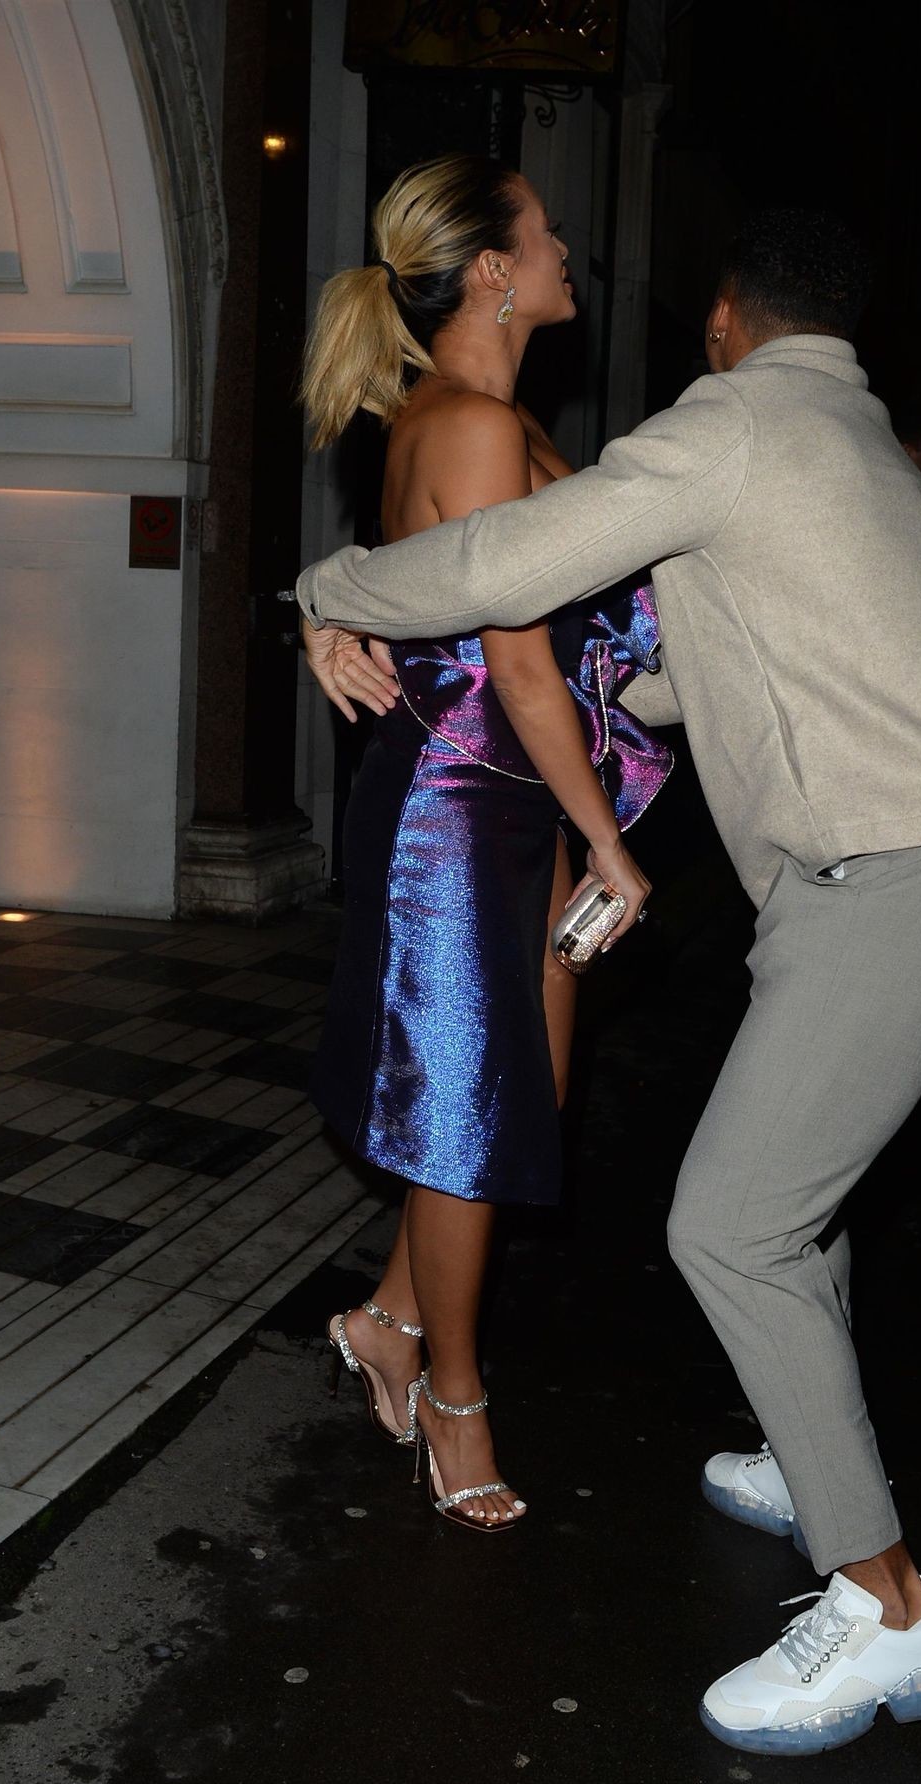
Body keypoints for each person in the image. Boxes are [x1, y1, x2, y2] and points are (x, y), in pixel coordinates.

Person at [298, 207, 921, 1754]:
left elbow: (502, 571)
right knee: (793, 1194)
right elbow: (658, 673)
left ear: (722, 322)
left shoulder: (732, 426)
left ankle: (889, 1608)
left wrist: (327, 587)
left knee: (728, 1223)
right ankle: (809, 1451)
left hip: (897, 868)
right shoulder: (849, 443)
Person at [300, 155, 670, 1533]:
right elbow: (517, 664)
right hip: (455, 809)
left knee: (515, 1105)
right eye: (545, 230)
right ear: (497, 270)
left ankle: (388, 1321)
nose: (567, 247)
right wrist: (609, 844)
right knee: (470, 1117)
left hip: (511, 802)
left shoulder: (496, 421)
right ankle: (455, 1399)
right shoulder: (463, 425)